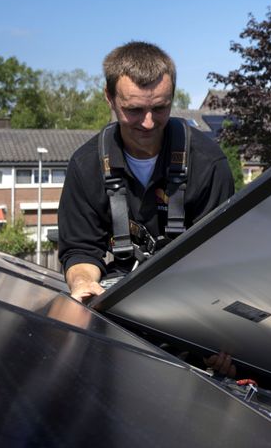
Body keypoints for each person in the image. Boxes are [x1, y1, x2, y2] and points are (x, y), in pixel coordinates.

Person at [58, 41, 235, 301]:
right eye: (134, 110)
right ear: (109, 97)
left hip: (196, 296)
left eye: (160, 108)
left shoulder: (208, 163)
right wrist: (83, 281)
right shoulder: (86, 166)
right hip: (122, 296)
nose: (148, 122)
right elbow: (80, 249)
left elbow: (219, 254)